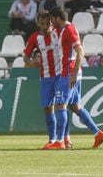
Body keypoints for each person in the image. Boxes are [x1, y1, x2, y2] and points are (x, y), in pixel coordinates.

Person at [44, 6, 103, 150]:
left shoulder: (69, 30)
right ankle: (98, 133)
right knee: (75, 106)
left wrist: (73, 74)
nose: (51, 22)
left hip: (69, 72)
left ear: (57, 18)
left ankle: (60, 141)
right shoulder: (63, 30)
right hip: (69, 72)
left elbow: (80, 51)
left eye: (52, 19)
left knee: (61, 105)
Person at [22, 11, 61, 148]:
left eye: (47, 23)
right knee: (48, 108)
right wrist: (31, 62)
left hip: (61, 75)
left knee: (62, 106)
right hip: (45, 77)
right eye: (42, 23)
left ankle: (64, 139)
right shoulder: (34, 38)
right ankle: (52, 140)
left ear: (52, 22)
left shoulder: (59, 32)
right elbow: (26, 56)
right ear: (38, 23)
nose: (45, 26)